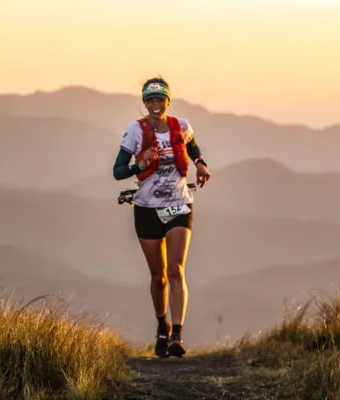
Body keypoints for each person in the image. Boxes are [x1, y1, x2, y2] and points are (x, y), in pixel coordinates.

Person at [112, 76, 211, 358]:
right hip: (147, 209)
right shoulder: (135, 131)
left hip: (180, 205)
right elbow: (118, 171)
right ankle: (161, 326)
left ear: (168, 100)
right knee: (158, 277)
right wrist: (140, 164)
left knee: (176, 270)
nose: (155, 105)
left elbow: (191, 145)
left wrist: (200, 164)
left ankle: (177, 336)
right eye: (150, 100)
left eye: (159, 99)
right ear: (144, 103)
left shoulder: (181, 126)